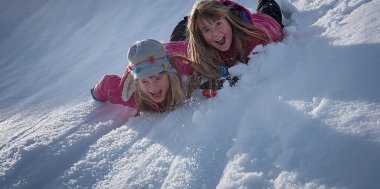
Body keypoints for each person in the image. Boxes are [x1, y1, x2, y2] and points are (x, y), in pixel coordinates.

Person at [185, 0, 284, 97]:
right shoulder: (205, 48)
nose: (215, 34)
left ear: (228, 19)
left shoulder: (253, 40)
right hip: (245, 22)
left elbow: (252, 71)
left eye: (218, 23)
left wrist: (224, 82)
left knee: (268, 5)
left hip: (267, 21)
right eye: (206, 30)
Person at [91, 39, 193, 115]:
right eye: (144, 81)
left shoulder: (182, 66)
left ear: (168, 74)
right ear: (137, 83)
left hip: (174, 48)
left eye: (158, 78)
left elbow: (197, 51)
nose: (153, 87)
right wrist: (96, 93)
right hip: (143, 62)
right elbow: (106, 84)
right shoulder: (130, 94)